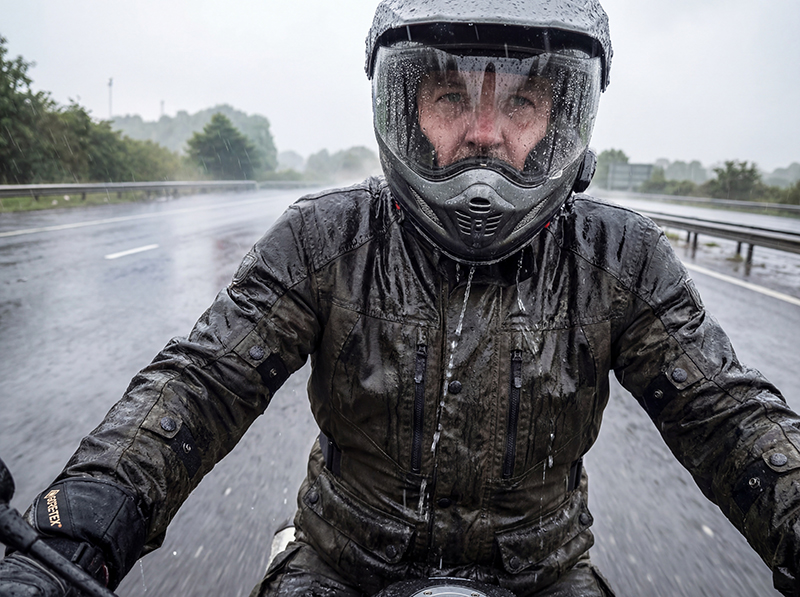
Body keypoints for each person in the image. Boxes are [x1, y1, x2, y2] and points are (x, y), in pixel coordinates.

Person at [2, 0, 800, 595]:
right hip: (339, 563)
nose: (485, 133)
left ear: (560, 117)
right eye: (453, 95)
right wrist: (81, 519)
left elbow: (728, 417)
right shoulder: (324, 238)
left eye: (519, 101)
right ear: (407, 109)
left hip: (544, 576)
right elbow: (201, 381)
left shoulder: (620, 255)